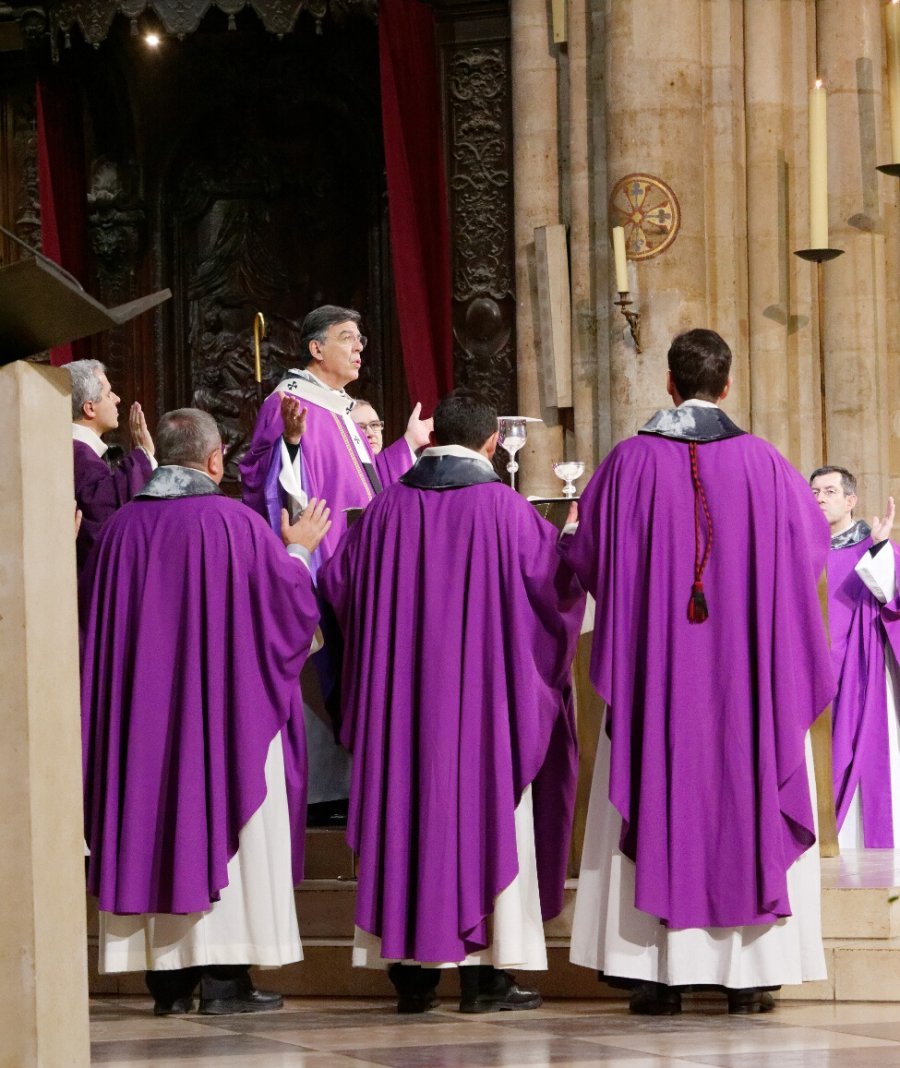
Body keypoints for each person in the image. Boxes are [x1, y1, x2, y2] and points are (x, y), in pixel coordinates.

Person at [567, 328, 834, 1016]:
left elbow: (587, 555)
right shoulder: (767, 465)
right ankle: (749, 976)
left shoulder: (627, 463)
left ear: (668, 383)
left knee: (656, 780)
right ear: (729, 382)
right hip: (747, 684)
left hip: (658, 679)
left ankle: (656, 975)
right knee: (748, 782)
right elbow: (811, 552)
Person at [319, 389, 585, 1013]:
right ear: (493, 442)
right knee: (480, 813)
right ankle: (483, 978)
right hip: (483, 716)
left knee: (403, 810)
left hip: (400, 714)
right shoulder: (508, 510)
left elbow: (337, 586)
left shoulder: (385, 510)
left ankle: (411, 976)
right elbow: (552, 596)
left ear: (433, 437)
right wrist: (570, 546)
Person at [80, 408, 331, 1016]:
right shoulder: (233, 523)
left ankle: (167, 982)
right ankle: (225, 981)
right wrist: (297, 553)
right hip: (221, 721)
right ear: (216, 461)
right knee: (227, 821)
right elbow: (285, 615)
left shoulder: (120, 532)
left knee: (151, 818)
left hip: (142, 726)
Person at [240, 305, 431, 572]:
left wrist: (409, 443)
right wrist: (290, 444)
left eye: (359, 339)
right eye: (346, 338)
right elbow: (261, 481)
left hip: (363, 558)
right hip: (327, 560)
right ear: (316, 349)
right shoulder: (287, 404)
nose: (359, 347)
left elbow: (369, 482)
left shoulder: (341, 408)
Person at [810, 466, 900, 848]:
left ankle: (861, 840)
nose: (819, 498)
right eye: (813, 491)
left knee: (865, 752)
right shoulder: (801, 551)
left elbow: (888, 595)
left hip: (862, 671)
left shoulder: (874, 547)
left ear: (851, 501)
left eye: (829, 491)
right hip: (813, 671)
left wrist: (880, 548)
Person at [65, 359, 155, 573]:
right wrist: (145, 454)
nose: (117, 399)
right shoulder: (80, 457)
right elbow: (103, 517)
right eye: (108, 394)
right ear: (89, 408)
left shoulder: (68, 450)